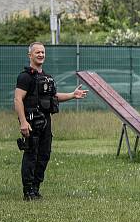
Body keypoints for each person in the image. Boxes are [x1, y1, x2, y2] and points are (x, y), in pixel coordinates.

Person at [15, 41, 88, 201]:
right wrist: (23, 122)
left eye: (43, 52)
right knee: (31, 155)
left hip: (46, 122)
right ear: (30, 55)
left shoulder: (47, 78)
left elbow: (53, 97)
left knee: (44, 155)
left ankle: (36, 188)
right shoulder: (25, 77)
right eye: (37, 52)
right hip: (31, 122)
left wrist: (72, 95)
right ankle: (28, 191)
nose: (41, 55)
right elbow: (18, 99)